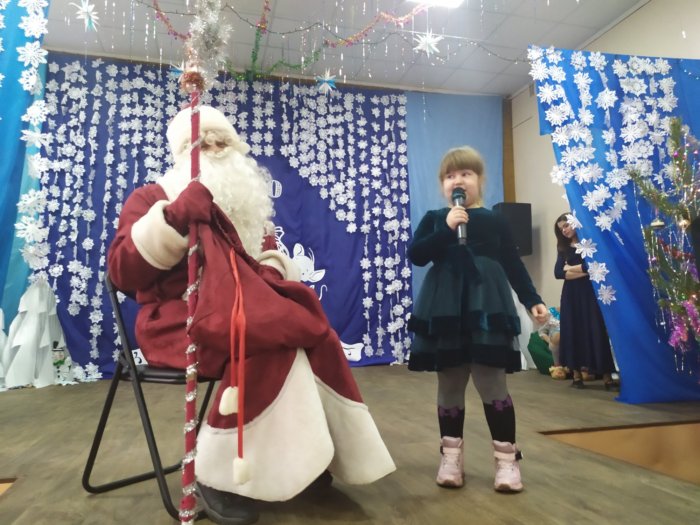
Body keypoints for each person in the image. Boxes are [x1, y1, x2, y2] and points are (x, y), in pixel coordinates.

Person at [108, 105, 395, 525]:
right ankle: (218, 476)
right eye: (202, 143)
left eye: (221, 140)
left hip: (242, 314)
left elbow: (271, 255)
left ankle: (310, 456)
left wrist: (269, 273)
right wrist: (173, 219)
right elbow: (122, 271)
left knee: (314, 335)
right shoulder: (153, 198)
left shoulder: (247, 206)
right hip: (176, 322)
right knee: (264, 338)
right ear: (182, 153)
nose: (214, 148)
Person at [407, 146, 548, 493]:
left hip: (487, 304)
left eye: (465, 174)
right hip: (445, 307)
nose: (458, 180)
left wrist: (533, 300)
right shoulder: (435, 217)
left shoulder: (494, 220)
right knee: (450, 382)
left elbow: (513, 264)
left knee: (491, 380)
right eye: (450, 176)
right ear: (443, 184)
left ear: (480, 180)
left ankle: (506, 460)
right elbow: (417, 255)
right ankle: (450, 457)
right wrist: (446, 228)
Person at [554, 213, 618, 390]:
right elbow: (558, 273)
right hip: (571, 295)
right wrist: (585, 271)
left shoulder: (589, 243)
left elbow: (595, 266)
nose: (564, 230)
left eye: (566, 225)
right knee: (572, 330)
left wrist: (572, 268)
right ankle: (576, 376)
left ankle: (607, 378)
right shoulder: (563, 248)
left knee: (596, 330)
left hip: (590, 293)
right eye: (561, 229)